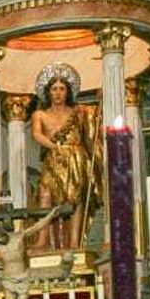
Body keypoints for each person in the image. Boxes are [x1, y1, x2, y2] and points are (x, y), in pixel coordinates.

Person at [30, 63, 99, 252]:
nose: (58, 93)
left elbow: (91, 129)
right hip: (53, 157)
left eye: (62, 89)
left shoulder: (77, 113)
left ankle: (75, 242)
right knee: (45, 193)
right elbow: (37, 134)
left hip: (75, 158)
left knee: (74, 198)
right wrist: (54, 146)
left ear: (68, 91)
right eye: (54, 89)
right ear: (48, 92)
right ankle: (42, 239)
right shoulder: (40, 114)